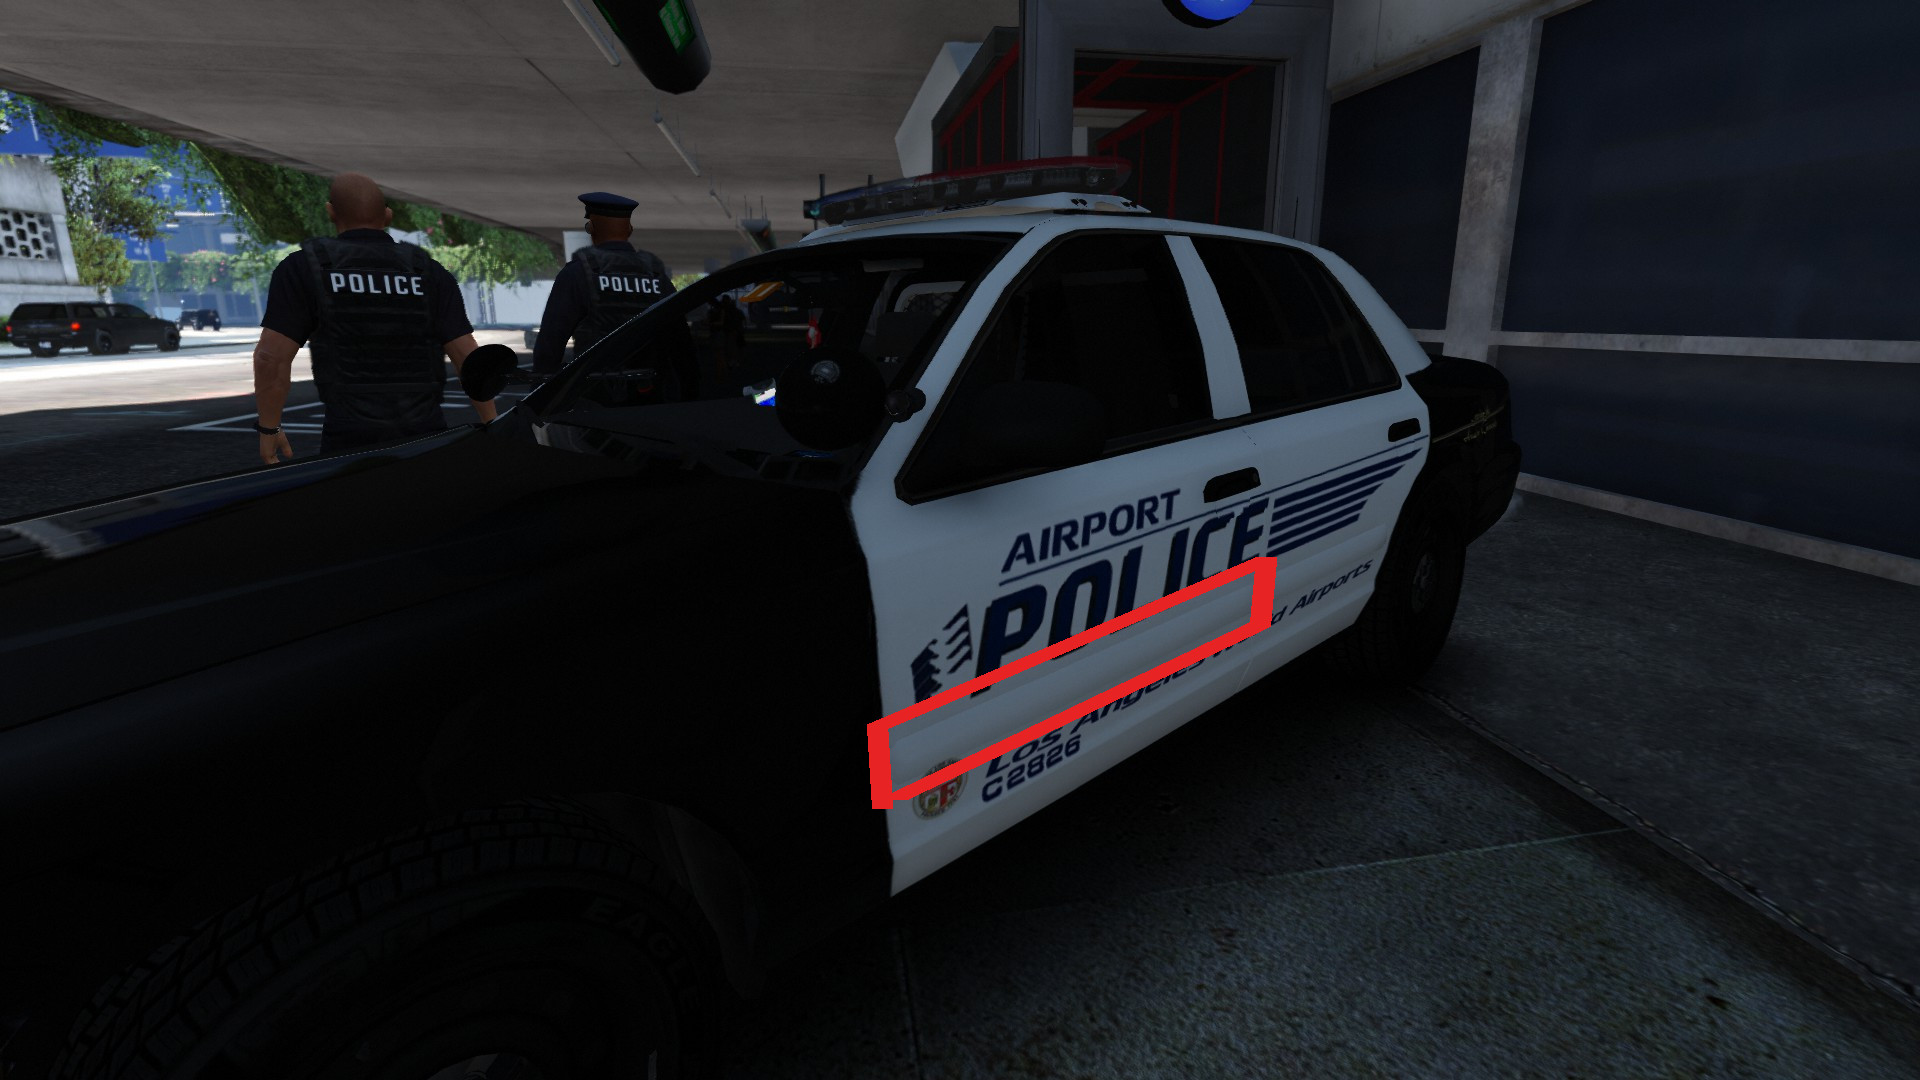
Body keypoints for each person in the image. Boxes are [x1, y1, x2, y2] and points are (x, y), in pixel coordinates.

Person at [251, 172, 489, 462]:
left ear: (331, 212)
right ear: (387, 215)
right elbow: (468, 357)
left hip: (349, 439)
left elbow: (270, 357)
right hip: (426, 437)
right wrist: (492, 424)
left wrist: (269, 428)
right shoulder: (428, 271)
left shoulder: (304, 268)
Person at [531, 192, 676, 380]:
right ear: (630, 229)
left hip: (594, 388)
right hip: (648, 387)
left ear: (590, 228)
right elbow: (678, 337)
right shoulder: (656, 275)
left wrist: (541, 388)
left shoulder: (577, 273)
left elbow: (551, 342)